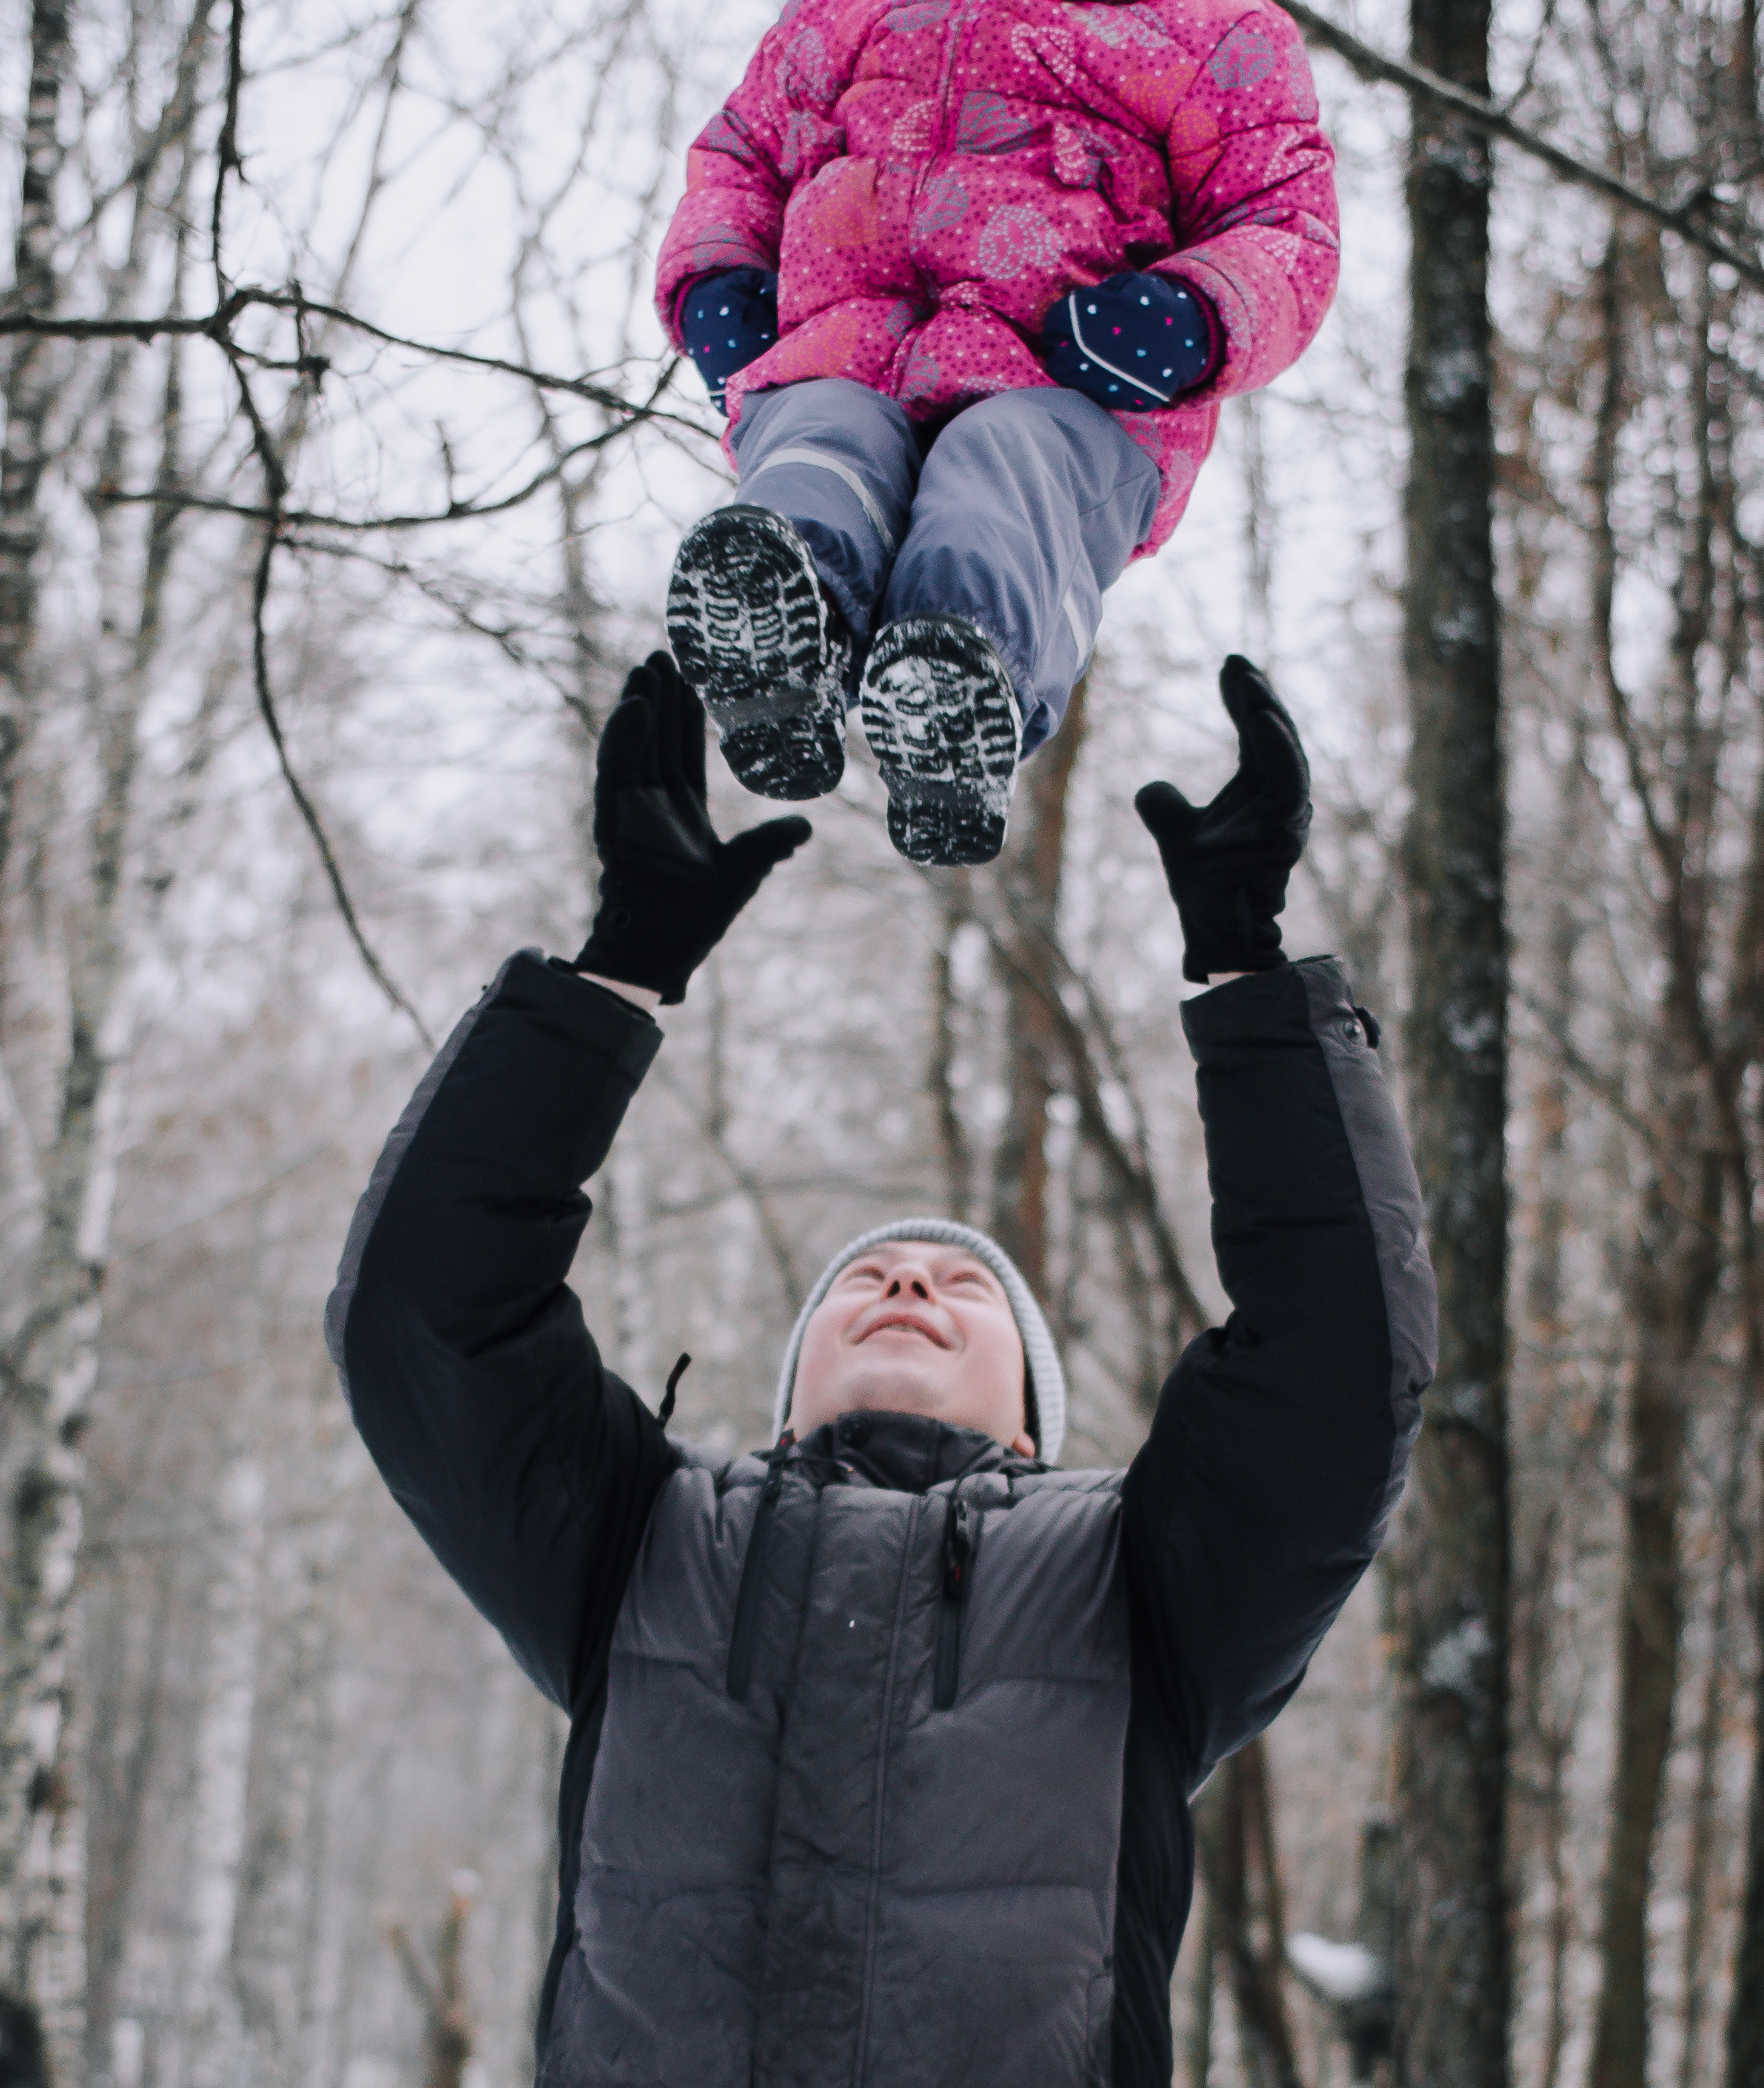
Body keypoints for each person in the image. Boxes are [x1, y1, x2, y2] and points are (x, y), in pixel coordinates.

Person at [327, 650, 1435, 2088]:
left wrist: (1249, 972)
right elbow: (427, 1318)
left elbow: (1339, 1373)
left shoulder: (1142, 1587)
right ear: (787, 1394)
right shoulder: (638, 1545)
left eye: (963, 1284)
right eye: (864, 1278)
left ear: (1035, 1426)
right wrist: (617, 971)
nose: (908, 1279)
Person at [655, 0, 1340, 867]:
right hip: (843, 352)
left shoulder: (1214, 33)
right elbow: (745, 144)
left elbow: (1290, 229)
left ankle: (956, 687)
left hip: (1070, 392)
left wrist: (1196, 316)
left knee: (996, 476)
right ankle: (777, 628)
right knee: (823, 448)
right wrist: (718, 282)